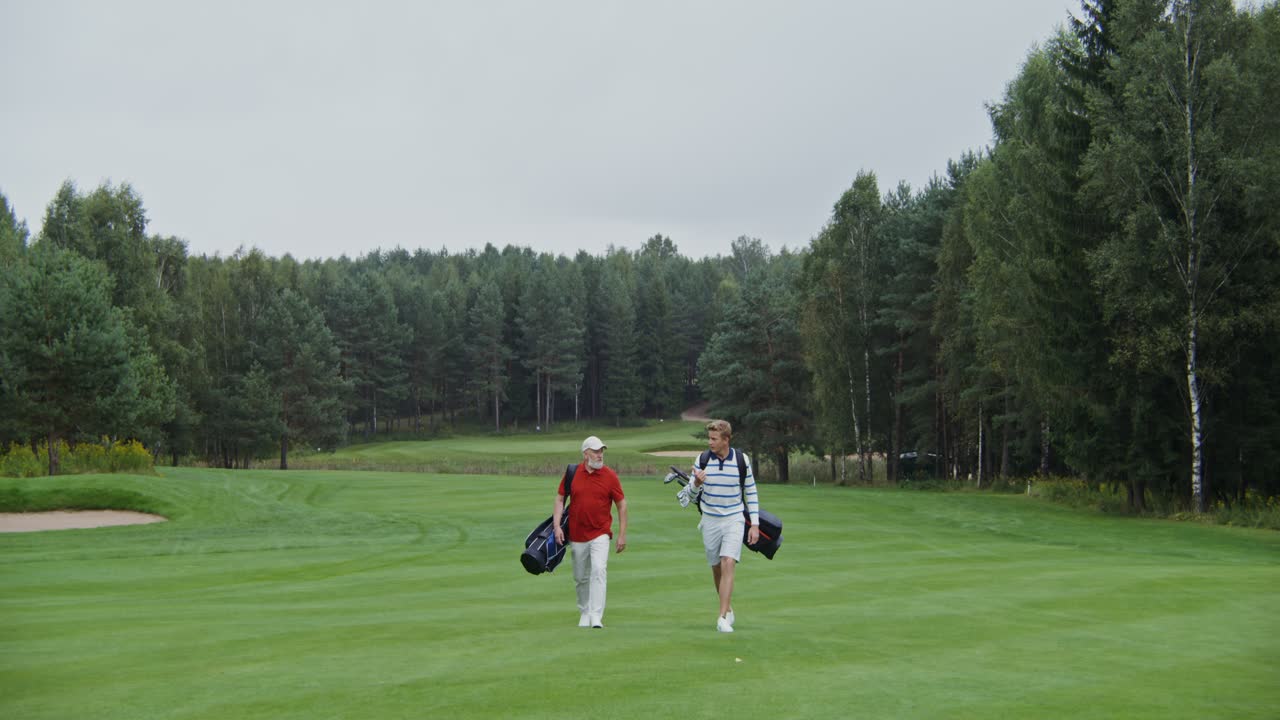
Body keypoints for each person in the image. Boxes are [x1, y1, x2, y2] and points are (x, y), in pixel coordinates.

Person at [677, 419, 759, 633]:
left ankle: (721, 617)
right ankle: (728, 608)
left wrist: (755, 524)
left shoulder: (742, 460)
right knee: (716, 568)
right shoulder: (702, 460)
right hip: (710, 519)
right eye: (709, 438)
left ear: (726, 440)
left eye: (714, 439)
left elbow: (751, 491)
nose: (710, 442)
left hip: (734, 518)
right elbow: (690, 497)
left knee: (728, 562)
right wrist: (696, 483)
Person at [553, 435, 627, 628]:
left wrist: (621, 534)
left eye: (601, 450)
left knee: (599, 570)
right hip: (577, 534)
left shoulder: (610, 476)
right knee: (580, 576)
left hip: (601, 532)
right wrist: (557, 526)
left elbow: (621, 505)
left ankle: (596, 616)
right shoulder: (572, 473)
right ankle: (584, 611)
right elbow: (560, 499)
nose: (600, 454)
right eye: (596, 451)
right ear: (586, 454)